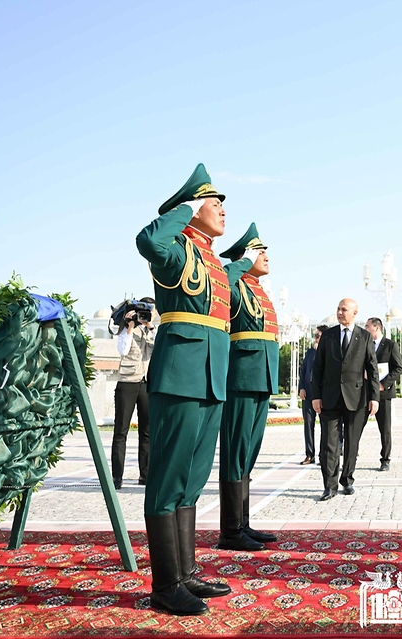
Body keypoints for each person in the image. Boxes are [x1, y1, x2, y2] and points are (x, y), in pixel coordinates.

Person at [135, 164, 236, 615]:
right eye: (215, 204)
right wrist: (183, 210)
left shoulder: (212, 258)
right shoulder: (176, 247)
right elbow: (147, 241)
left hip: (212, 375)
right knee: (168, 478)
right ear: (194, 208)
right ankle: (164, 585)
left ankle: (185, 573)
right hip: (179, 373)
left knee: (191, 479)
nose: (222, 212)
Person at [216, 224, 280, 551]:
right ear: (245, 256)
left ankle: (242, 523)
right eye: (259, 252)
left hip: (261, 378)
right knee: (235, 453)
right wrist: (240, 262)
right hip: (241, 378)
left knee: (248, 455)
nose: (265, 257)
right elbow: (220, 283)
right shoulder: (237, 283)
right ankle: (229, 531)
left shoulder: (258, 288)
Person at [311, 299, 379, 501]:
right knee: (329, 444)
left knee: (352, 443)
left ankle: (347, 479)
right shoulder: (329, 336)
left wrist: (374, 397)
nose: (340, 312)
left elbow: (372, 369)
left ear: (355, 312)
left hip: (356, 398)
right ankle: (329, 486)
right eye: (338, 309)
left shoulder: (364, 337)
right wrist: (316, 395)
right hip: (329, 398)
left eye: (344, 309)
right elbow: (318, 368)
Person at [112, 297, 156, 490]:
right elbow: (123, 350)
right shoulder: (125, 327)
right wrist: (130, 326)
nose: (145, 316)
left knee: (146, 432)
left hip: (146, 383)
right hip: (127, 383)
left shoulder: (152, 330)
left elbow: (158, 347)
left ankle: (145, 475)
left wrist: (150, 326)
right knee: (121, 431)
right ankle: (117, 477)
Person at [364, 317, 402, 471]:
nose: (365, 329)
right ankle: (351, 456)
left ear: (376, 327)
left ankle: (385, 459)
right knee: (355, 427)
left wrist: (383, 384)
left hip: (383, 394)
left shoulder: (390, 345)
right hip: (365, 393)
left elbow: (398, 368)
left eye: (367, 326)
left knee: (385, 429)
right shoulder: (364, 345)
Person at [298, 326, 327, 464]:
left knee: (325, 425)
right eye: (315, 335)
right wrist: (301, 387)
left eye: (318, 335)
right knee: (308, 424)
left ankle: (323, 455)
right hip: (308, 393)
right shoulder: (310, 352)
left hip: (323, 394)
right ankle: (310, 454)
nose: (315, 338)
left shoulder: (329, 352)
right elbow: (303, 371)